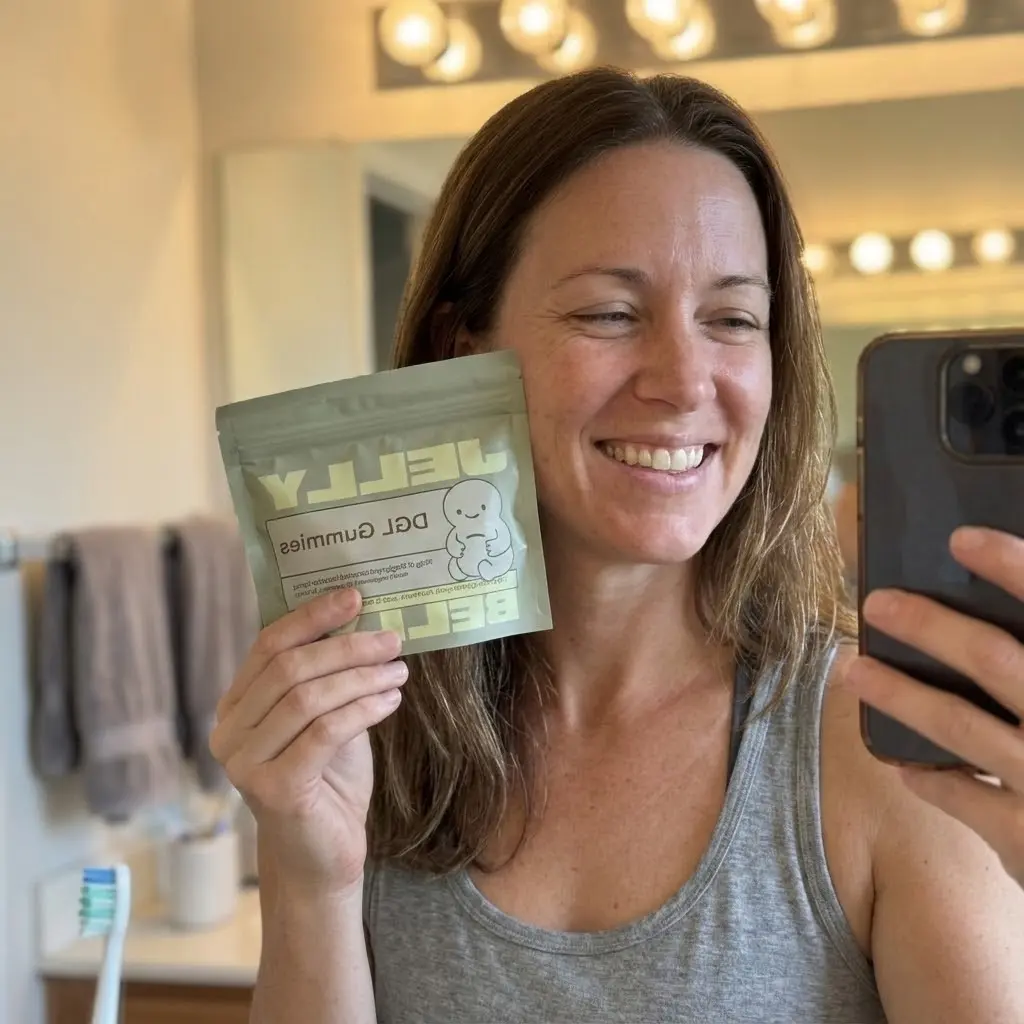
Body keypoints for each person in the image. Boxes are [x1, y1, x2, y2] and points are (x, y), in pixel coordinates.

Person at [211, 69, 1024, 1023]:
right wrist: (310, 880)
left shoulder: (876, 749)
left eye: (732, 319)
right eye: (609, 312)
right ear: (460, 347)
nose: (684, 382)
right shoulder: (372, 736)